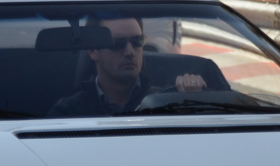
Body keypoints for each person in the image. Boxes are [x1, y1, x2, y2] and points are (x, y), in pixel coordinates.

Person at [48, 17, 206, 117]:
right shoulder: (67, 113)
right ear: (93, 51)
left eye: (137, 41)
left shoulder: (166, 104)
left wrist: (194, 98)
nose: (130, 52)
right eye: (117, 43)